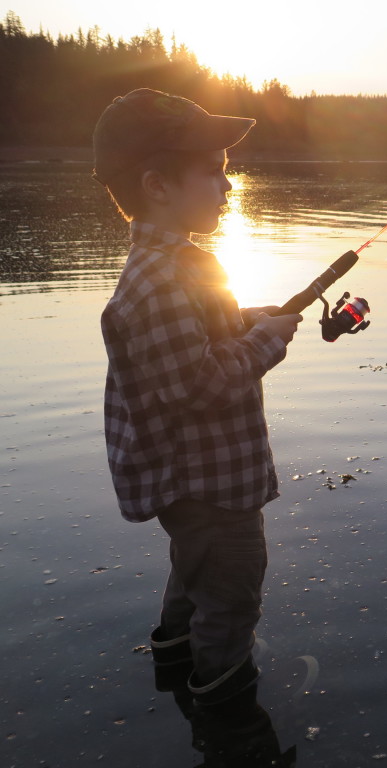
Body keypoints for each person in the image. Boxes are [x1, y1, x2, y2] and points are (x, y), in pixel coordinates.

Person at [93, 88, 302, 724]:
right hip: (208, 487)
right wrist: (266, 342)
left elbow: (200, 336)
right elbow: (199, 386)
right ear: (157, 185)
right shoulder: (156, 284)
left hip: (198, 487)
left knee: (196, 575)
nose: (228, 185)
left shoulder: (180, 266)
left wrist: (249, 318)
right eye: (213, 171)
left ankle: (175, 660)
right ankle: (225, 713)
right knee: (231, 598)